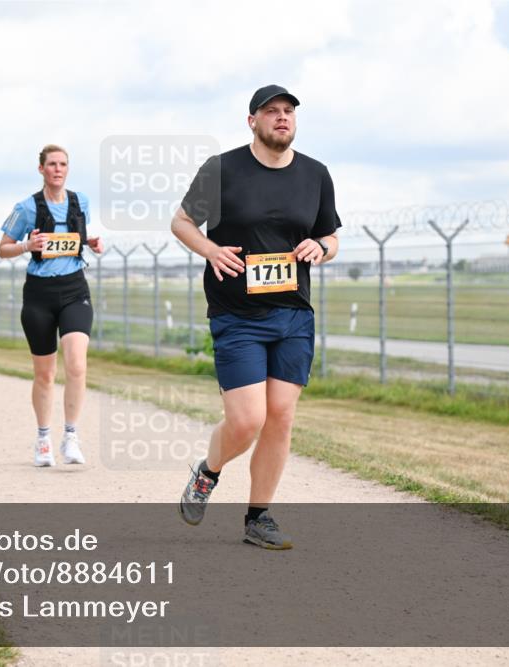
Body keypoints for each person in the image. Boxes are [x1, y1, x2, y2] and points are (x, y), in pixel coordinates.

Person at [171, 85, 341, 549]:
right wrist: (209, 249)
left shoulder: (316, 174)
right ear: (253, 121)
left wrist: (321, 248)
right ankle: (208, 472)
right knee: (247, 420)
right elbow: (182, 221)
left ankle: (258, 517)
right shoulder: (222, 169)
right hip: (237, 315)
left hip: (293, 314)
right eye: (272, 112)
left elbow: (331, 236)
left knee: (280, 417)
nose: (282, 118)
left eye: (288, 112)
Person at [0, 144, 104, 467]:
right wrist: (27, 244)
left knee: (77, 364)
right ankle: (43, 438)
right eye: (52, 164)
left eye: (63, 164)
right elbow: (2, 249)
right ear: (41, 169)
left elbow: (75, 239)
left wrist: (91, 242)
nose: (58, 169)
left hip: (74, 289)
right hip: (39, 295)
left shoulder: (79, 201)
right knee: (45, 374)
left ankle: (70, 436)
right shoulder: (27, 208)